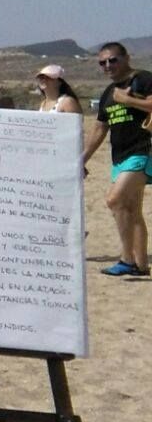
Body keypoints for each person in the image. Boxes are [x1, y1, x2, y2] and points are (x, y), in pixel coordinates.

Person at [81, 42, 152, 277]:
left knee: (114, 200)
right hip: (120, 156)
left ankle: (127, 259)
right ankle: (141, 265)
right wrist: (83, 159)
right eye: (102, 62)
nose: (108, 66)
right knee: (132, 210)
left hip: (143, 150)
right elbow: (100, 129)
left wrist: (128, 100)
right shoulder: (108, 93)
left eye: (113, 60)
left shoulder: (143, 79)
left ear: (126, 58)